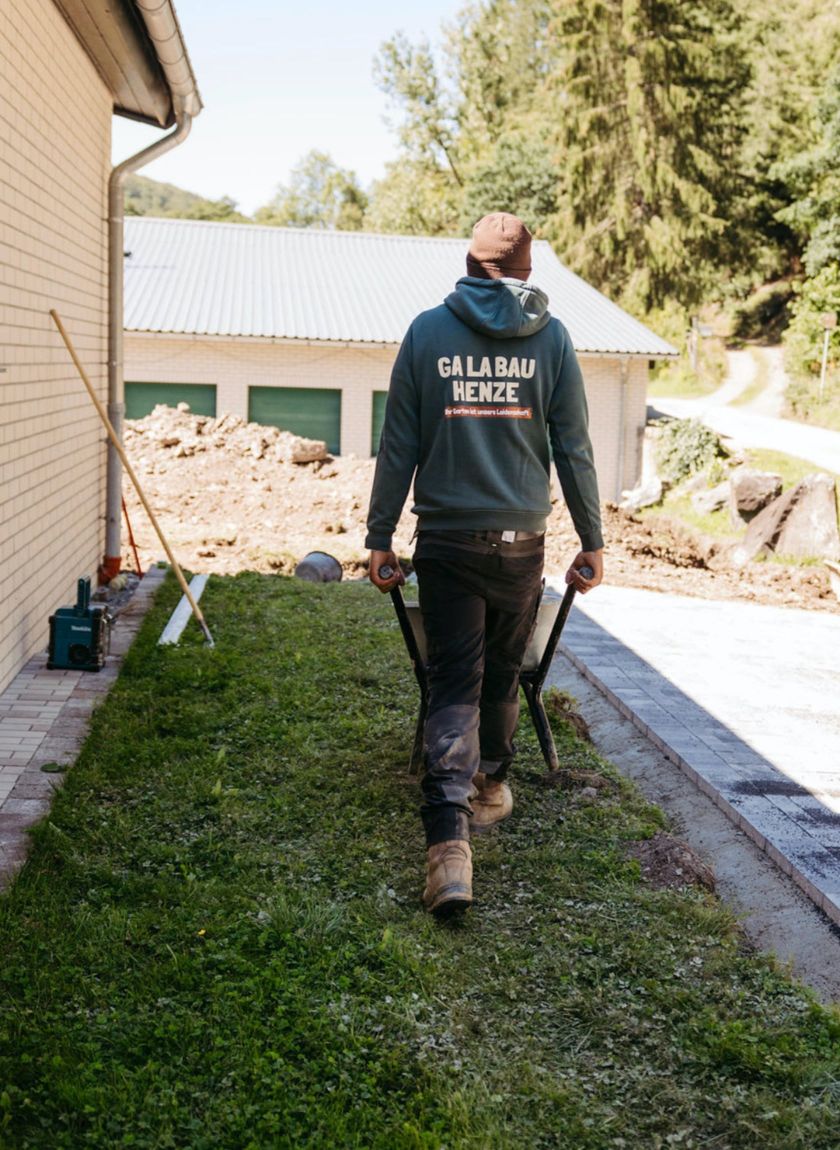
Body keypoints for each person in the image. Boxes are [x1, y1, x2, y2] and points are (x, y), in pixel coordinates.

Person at [365, 212, 603, 918]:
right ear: (528, 274)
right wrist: (591, 540)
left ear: (469, 267)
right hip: (521, 542)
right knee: (503, 671)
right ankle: (491, 784)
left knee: (453, 680)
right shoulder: (552, 339)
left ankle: (447, 846)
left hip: (446, 541)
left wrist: (381, 535)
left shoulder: (427, 332)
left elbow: (398, 440)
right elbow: (575, 448)